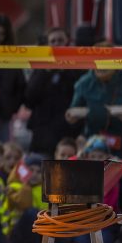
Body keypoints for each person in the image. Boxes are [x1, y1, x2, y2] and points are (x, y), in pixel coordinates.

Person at [23, 27, 84, 157]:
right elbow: (29, 99)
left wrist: (66, 70)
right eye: (53, 41)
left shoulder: (78, 66)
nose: (57, 44)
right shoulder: (40, 69)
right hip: (43, 137)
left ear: (68, 43)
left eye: (60, 40)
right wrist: (46, 72)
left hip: (68, 136)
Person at [65, 68, 122, 164]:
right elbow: (72, 115)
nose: (101, 67)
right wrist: (73, 118)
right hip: (94, 147)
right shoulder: (84, 83)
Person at [4, 152, 47, 243]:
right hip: (16, 232)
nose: (34, 175)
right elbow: (24, 204)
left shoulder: (47, 191)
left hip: (40, 232)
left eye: (39, 172)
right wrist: (26, 183)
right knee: (32, 212)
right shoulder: (15, 187)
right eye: (31, 170)